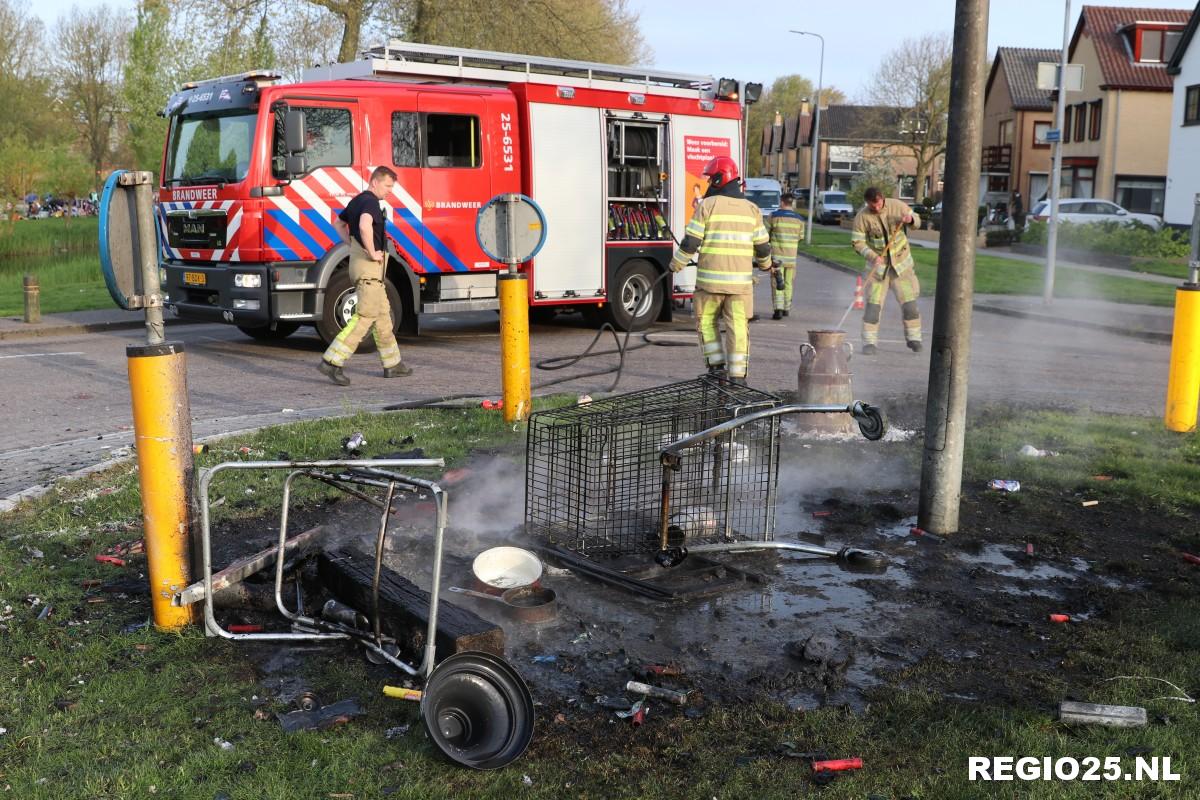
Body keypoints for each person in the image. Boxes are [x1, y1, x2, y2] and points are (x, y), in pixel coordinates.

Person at [670, 156, 772, 383]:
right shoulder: (752, 210)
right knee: (738, 328)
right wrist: (766, 266)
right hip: (740, 288)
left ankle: (716, 369)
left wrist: (675, 265)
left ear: (719, 178)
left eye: (710, 178)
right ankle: (737, 378)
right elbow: (763, 247)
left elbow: (690, 243)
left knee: (706, 323)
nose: (708, 183)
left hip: (710, 286)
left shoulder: (707, 206)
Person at [318, 166, 411, 385]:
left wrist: (352, 245)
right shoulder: (370, 202)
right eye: (388, 185)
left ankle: (393, 364)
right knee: (365, 317)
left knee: (383, 317)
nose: (390, 190)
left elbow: (339, 223)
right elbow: (364, 226)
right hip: (370, 269)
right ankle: (332, 362)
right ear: (375, 182)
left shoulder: (357, 201)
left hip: (363, 268)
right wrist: (371, 251)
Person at [849, 186, 922, 354]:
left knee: (910, 305)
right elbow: (857, 243)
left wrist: (910, 219)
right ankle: (869, 343)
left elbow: (917, 220)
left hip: (902, 270)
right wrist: (873, 256)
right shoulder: (862, 217)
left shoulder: (897, 205)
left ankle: (914, 339)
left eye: (877, 203)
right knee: (873, 308)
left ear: (882, 198)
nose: (875, 207)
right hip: (877, 272)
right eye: (871, 204)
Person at [766, 192, 805, 320]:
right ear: (791, 203)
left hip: (777, 258)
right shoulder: (799, 219)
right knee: (789, 283)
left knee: (777, 282)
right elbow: (800, 237)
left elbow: (766, 234)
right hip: (791, 258)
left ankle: (778, 309)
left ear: (782, 202)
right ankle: (787, 308)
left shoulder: (774, 216)